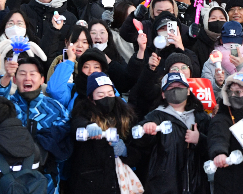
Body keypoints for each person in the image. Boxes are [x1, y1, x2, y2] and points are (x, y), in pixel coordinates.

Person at [0, 57, 71, 193]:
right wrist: (6, 76)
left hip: (46, 180)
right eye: (22, 74)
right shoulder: (8, 105)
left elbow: (65, 139)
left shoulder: (55, 107)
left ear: (42, 79)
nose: (27, 78)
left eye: (33, 74)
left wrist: (42, 146)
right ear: (15, 80)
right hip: (7, 180)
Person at [133, 72, 211, 194]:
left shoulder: (202, 118)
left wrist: (199, 140)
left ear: (188, 91)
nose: (176, 90)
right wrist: (146, 129)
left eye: (180, 87)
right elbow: (139, 145)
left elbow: (213, 149)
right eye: (171, 88)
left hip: (197, 187)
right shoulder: (155, 116)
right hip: (164, 188)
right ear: (163, 94)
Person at [69, 72, 140, 193]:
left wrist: (125, 151)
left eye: (110, 93)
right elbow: (76, 124)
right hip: (90, 183)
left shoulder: (126, 116)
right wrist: (88, 127)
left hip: (119, 182)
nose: (106, 98)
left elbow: (138, 151)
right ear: (91, 98)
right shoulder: (83, 114)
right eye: (100, 95)